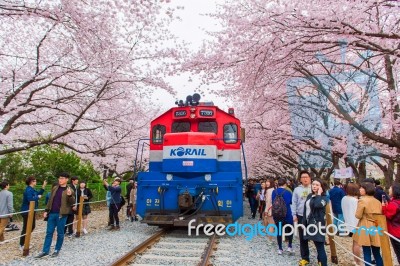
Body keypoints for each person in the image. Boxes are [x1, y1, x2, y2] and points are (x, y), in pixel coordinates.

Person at [35, 172, 75, 258]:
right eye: (59, 178)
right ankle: (45, 251)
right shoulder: (55, 188)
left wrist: (70, 195)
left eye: (62, 178)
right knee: (49, 232)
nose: (60, 180)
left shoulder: (69, 190)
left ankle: (57, 249)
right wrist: (46, 210)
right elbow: (50, 200)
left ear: (67, 179)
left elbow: (72, 203)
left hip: (62, 214)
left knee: (60, 233)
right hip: (52, 213)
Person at [353, 182, 383, 266]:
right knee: (377, 252)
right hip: (376, 226)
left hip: (365, 225)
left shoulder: (362, 200)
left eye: (361, 188)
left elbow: (358, 215)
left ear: (366, 190)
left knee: (366, 251)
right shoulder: (377, 201)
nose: (360, 189)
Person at [302, 178, 329, 266]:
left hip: (318, 225)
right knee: (316, 245)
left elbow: (318, 205)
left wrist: (319, 194)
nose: (314, 186)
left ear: (321, 187)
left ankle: (323, 264)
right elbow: (306, 210)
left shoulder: (324, 198)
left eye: (317, 185)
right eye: (313, 184)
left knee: (320, 247)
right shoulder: (310, 195)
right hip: (308, 223)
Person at [291, 170, 312, 266]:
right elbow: (294, 202)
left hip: (312, 216)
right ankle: (305, 258)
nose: (305, 179)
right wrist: (294, 214)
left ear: (310, 178)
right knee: (303, 237)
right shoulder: (297, 190)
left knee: (316, 236)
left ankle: (321, 259)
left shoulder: (314, 188)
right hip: (300, 215)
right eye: (303, 177)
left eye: (306, 177)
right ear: (300, 179)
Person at [19, 176, 47, 250]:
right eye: (35, 181)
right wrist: (38, 197)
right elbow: (30, 199)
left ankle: (25, 241)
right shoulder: (28, 190)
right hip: (27, 211)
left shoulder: (32, 189)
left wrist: (43, 186)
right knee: (26, 227)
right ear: (32, 181)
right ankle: (22, 244)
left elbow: (39, 193)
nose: (36, 182)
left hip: (32, 210)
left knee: (32, 226)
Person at [341, 182, 362, 266]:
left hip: (348, 224)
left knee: (354, 243)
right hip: (356, 224)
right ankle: (358, 262)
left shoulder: (344, 198)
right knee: (357, 244)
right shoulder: (356, 201)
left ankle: (355, 260)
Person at [271, 178, 293, 255]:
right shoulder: (288, 192)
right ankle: (289, 246)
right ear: (285, 184)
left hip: (277, 214)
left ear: (278, 184)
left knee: (279, 231)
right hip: (287, 214)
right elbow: (290, 202)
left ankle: (280, 248)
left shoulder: (274, 192)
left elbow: (272, 201)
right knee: (290, 229)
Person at [382, 182, 400, 264]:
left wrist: (384, 207)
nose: (389, 189)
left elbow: (387, 215)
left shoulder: (394, 204)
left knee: (398, 252)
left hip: (395, 231)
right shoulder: (394, 202)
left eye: (390, 188)